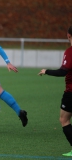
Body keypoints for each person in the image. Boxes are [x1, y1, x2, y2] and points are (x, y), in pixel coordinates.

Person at [38, 26, 72, 157]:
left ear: (68, 35)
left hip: (71, 92)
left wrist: (46, 71)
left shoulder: (69, 52)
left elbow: (63, 71)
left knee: (64, 120)